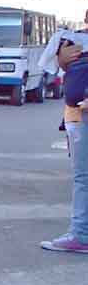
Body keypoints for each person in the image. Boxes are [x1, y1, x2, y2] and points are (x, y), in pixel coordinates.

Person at [38, 22, 88, 253]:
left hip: (81, 116)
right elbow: (54, 66)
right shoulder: (72, 39)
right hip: (76, 115)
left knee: (83, 177)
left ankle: (81, 234)